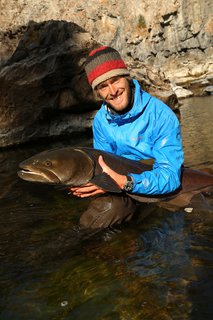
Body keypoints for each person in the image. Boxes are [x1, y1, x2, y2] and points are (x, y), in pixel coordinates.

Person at [70, 46, 184, 229]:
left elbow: (170, 176)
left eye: (115, 80)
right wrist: (95, 183)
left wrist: (126, 182)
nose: (112, 91)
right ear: (97, 92)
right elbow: (103, 165)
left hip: (158, 189)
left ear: (126, 77)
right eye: (103, 86)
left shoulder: (161, 115)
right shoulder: (100, 121)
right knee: (98, 215)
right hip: (123, 188)